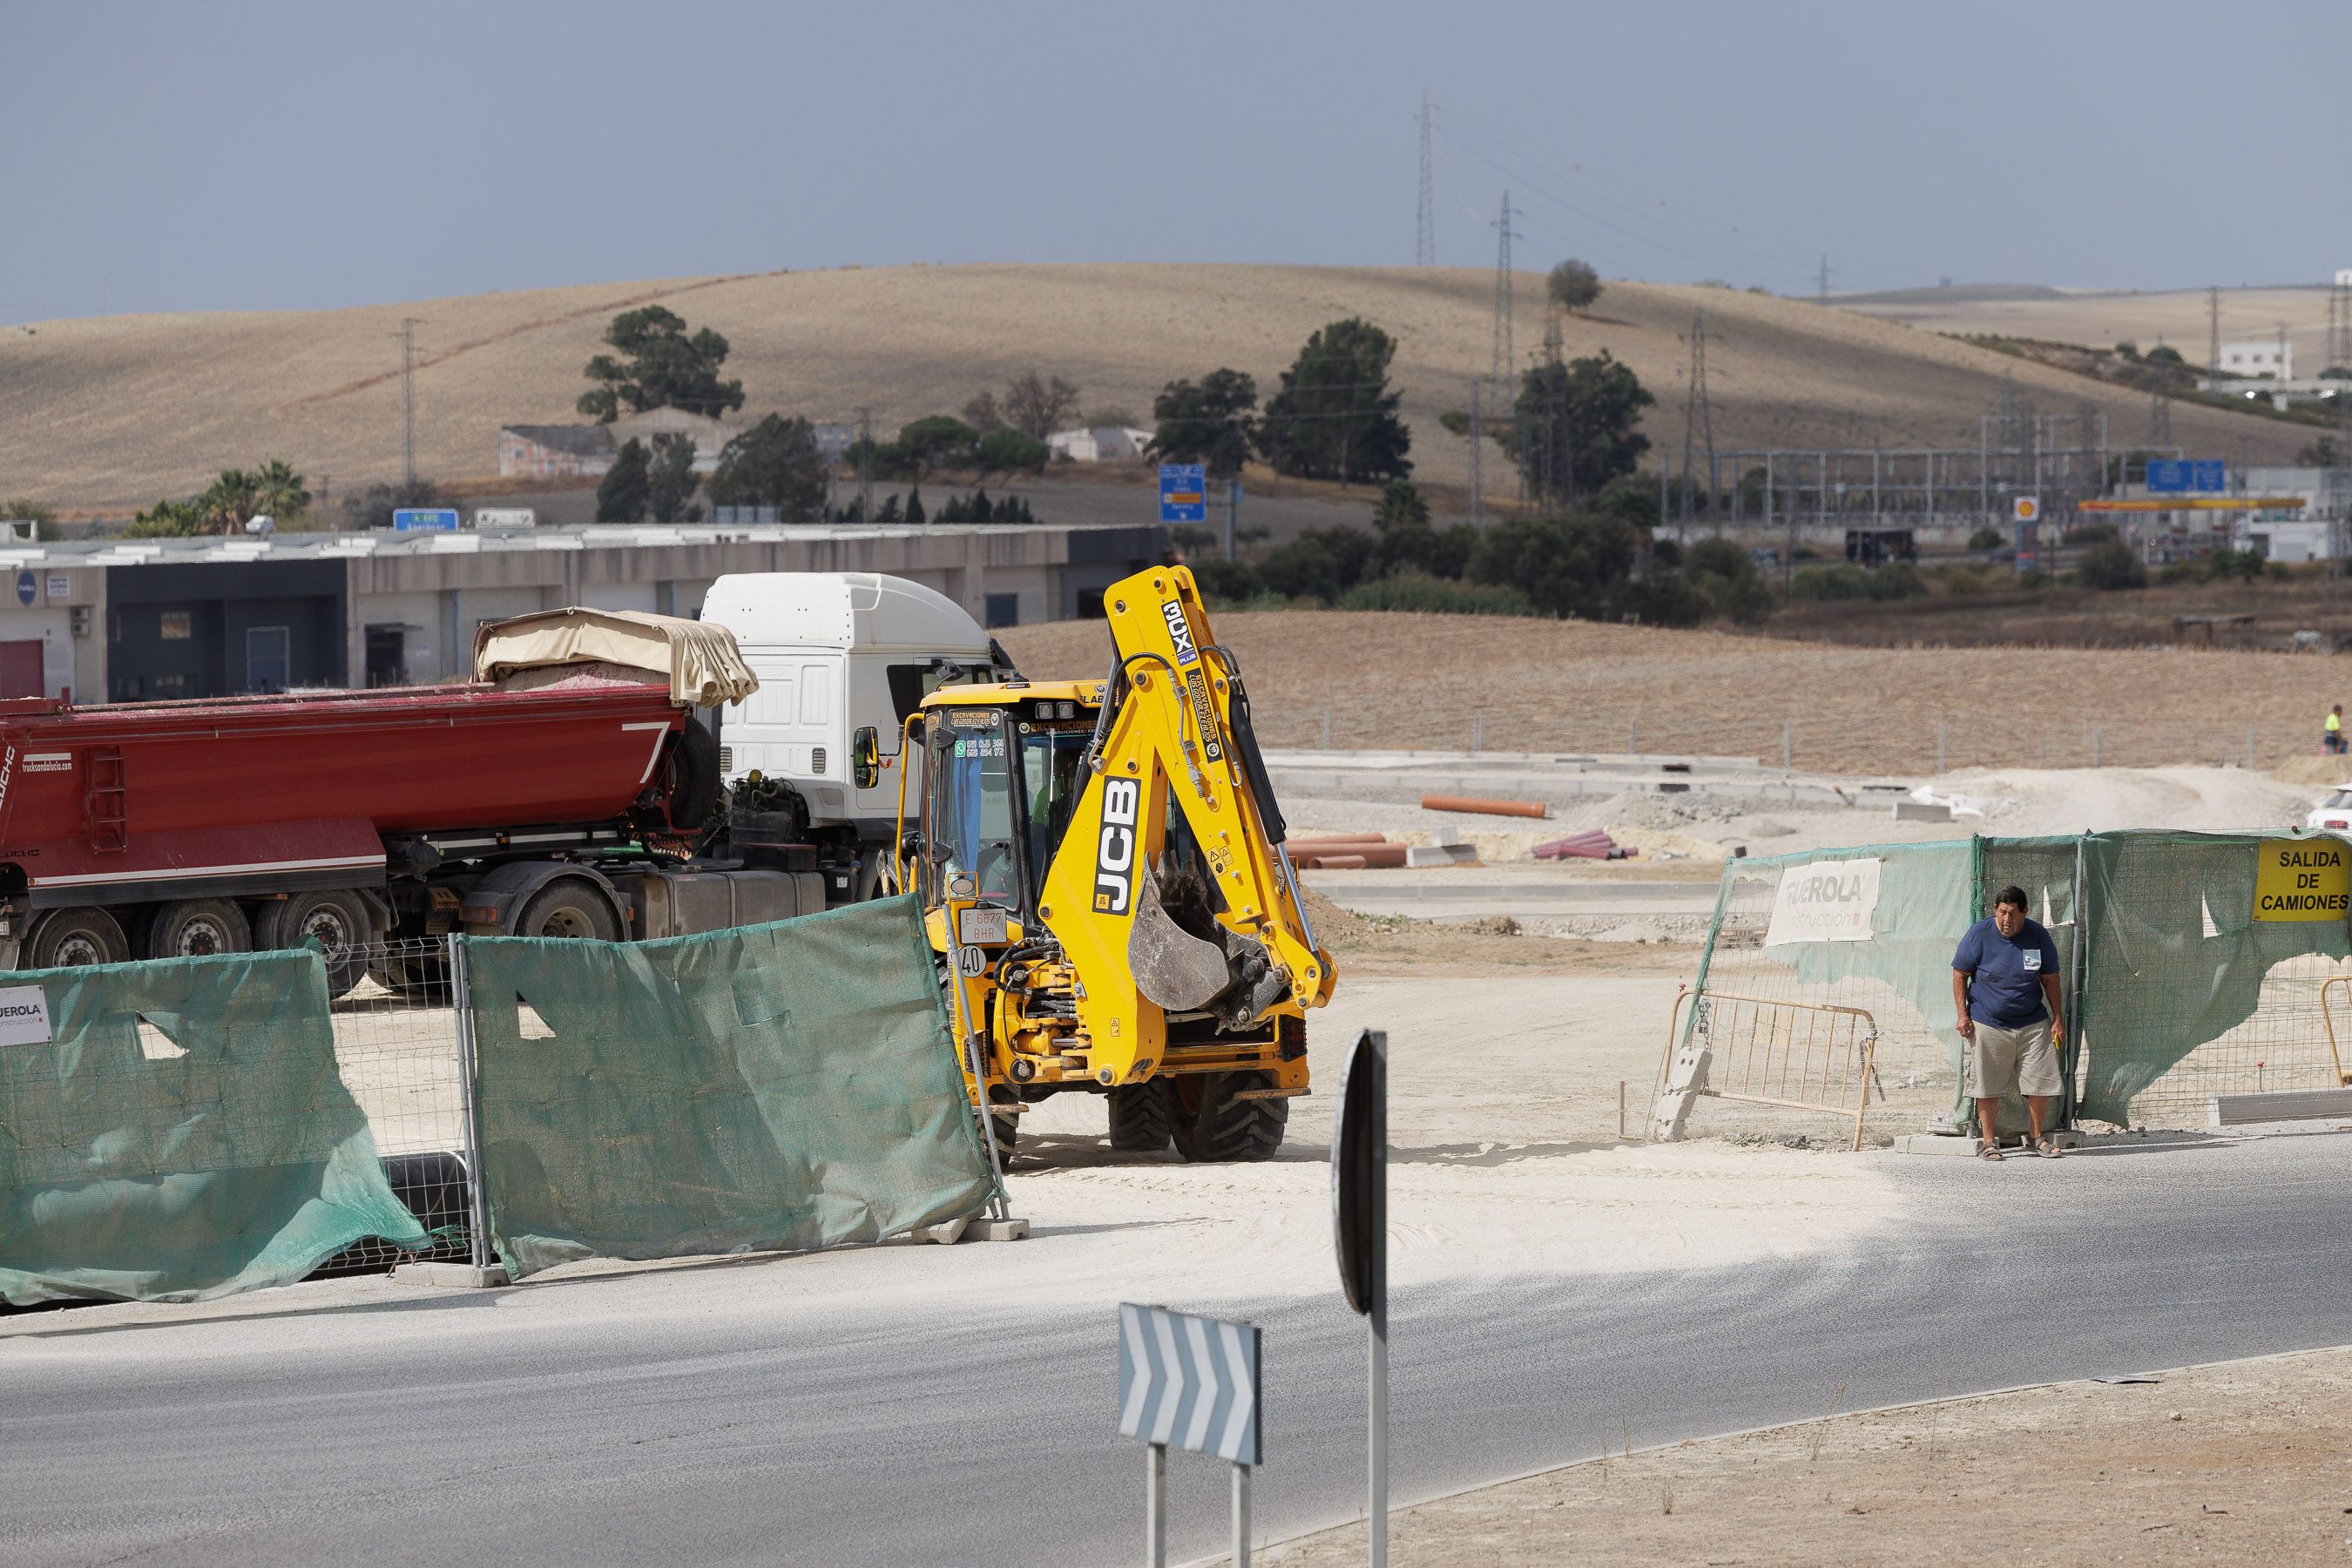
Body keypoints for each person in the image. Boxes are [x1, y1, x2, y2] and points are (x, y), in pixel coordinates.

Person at [1951, 885, 2065, 1161]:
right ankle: (1989, 1142)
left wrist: (2057, 1019)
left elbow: (2050, 979)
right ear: (1995, 911)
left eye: (2012, 913)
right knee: (1986, 1084)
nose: (2006, 919)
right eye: (2002, 912)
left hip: (2033, 1022)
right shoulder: (1979, 934)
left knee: (2041, 1080)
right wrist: (1962, 1015)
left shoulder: (2038, 936)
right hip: (1987, 1022)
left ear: (2025, 912)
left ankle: (2036, 1137)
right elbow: (1959, 973)